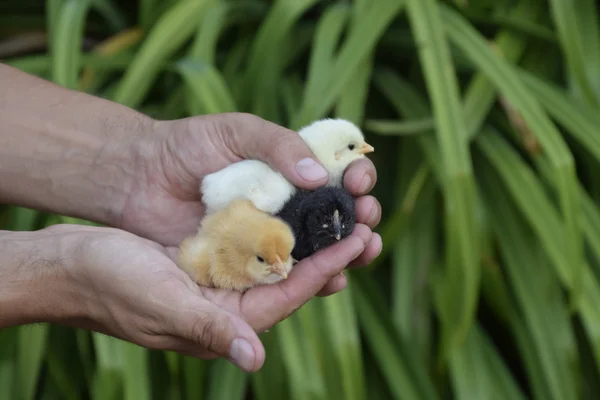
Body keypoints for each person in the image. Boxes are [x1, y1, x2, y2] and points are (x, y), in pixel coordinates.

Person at [0, 63, 382, 372]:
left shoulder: (286, 202)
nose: (363, 151)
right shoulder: (275, 194)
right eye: (353, 148)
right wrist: (62, 272)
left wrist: (141, 159)